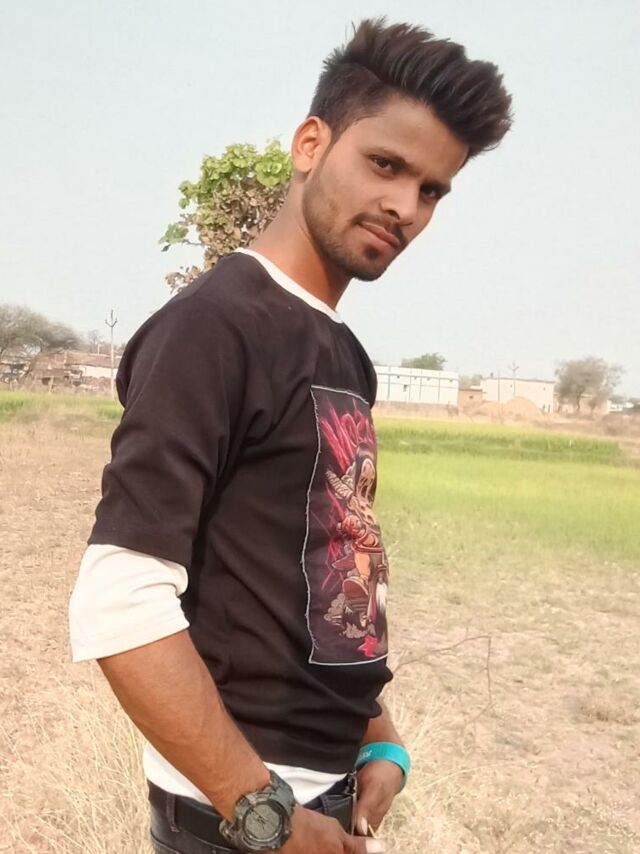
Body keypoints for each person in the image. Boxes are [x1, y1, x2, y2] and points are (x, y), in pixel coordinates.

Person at [69, 17, 512, 854]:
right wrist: (264, 815)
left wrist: (379, 735)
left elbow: (321, 566)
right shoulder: (213, 328)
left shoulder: (343, 353)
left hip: (321, 795)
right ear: (311, 144)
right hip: (236, 820)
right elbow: (117, 602)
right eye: (385, 164)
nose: (405, 207)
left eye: (432, 191)